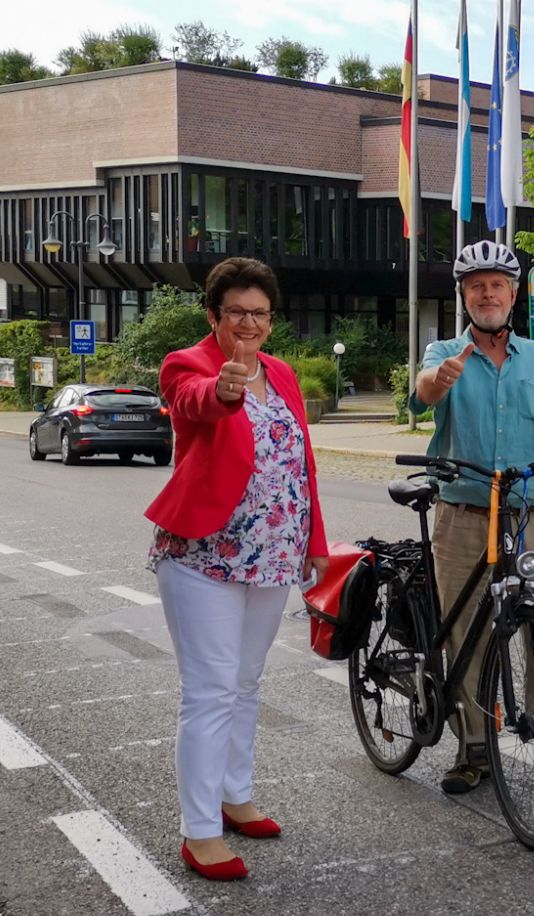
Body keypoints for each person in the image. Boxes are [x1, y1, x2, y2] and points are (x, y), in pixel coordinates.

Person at [144, 257, 330, 881]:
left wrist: (314, 540)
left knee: (246, 685)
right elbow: (192, 404)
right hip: (203, 557)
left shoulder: (282, 374)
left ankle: (235, 795)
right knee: (209, 692)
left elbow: (300, 463)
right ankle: (198, 832)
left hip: (273, 556)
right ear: (214, 317)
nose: (249, 323)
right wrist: (225, 388)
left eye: (260, 313)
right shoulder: (187, 365)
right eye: (236, 312)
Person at [417, 241, 534, 795]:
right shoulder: (443, 352)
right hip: (463, 512)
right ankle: (474, 749)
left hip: (529, 513)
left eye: (497, 284)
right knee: (468, 635)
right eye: (476, 286)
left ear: (514, 295)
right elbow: (423, 395)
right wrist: (441, 380)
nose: (487, 293)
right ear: (464, 296)